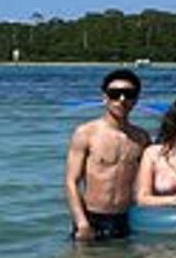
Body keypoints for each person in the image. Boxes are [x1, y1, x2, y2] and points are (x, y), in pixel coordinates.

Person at [64, 68, 150, 241]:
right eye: (115, 94)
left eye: (129, 94)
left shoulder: (141, 138)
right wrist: (82, 223)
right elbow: (71, 182)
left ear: (136, 99)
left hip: (126, 218)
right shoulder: (86, 133)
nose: (122, 99)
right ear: (104, 97)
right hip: (91, 217)